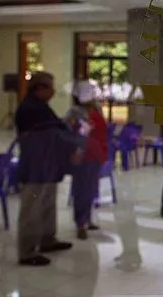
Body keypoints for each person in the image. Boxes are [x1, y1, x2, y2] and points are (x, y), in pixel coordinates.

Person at [14, 72, 80, 266]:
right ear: (39, 88)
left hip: (48, 166)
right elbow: (52, 131)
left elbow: (57, 127)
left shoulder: (42, 107)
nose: (53, 91)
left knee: (47, 204)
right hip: (35, 170)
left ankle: (47, 239)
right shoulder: (29, 108)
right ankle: (27, 252)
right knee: (32, 208)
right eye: (50, 87)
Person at [66, 81, 108, 240]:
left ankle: (88, 219)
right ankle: (80, 223)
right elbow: (76, 133)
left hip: (96, 154)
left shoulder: (96, 109)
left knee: (91, 189)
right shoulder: (75, 112)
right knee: (81, 190)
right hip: (83, 155)